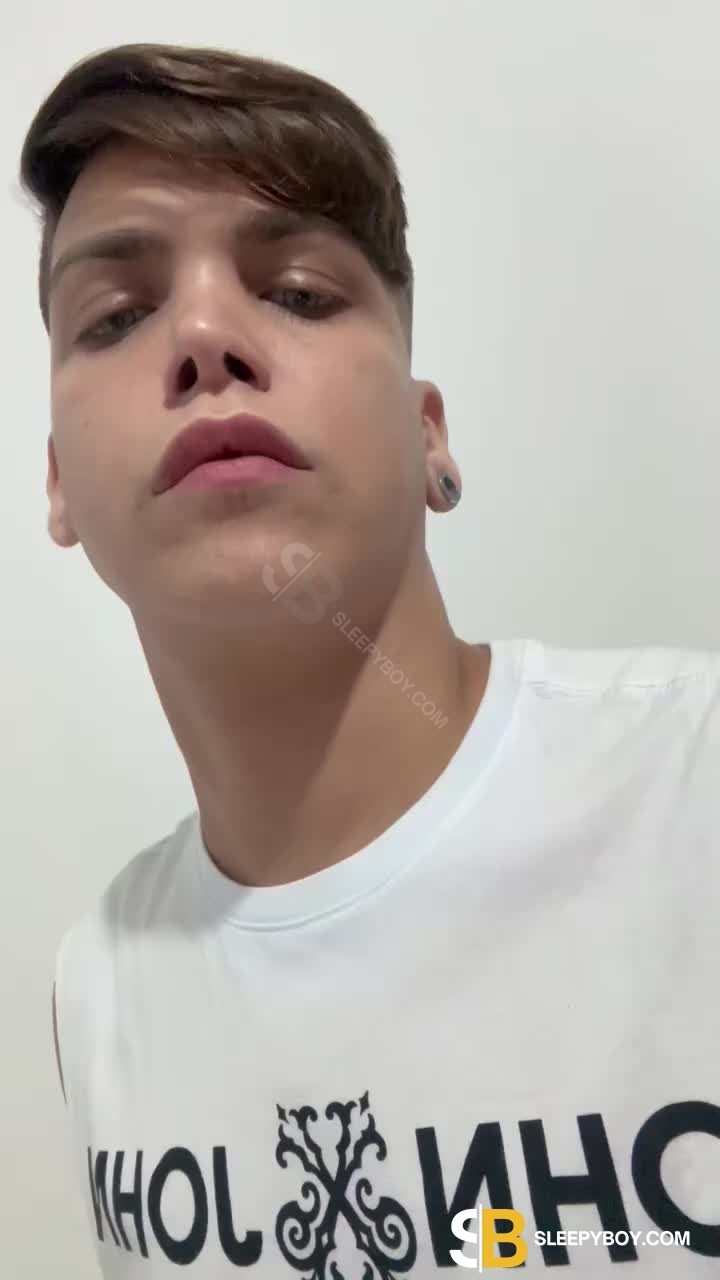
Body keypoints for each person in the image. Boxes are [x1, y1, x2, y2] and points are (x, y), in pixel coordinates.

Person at [19, 41, 719, 1279]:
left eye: (296, 291)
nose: (204, 335)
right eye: (116, 316)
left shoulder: (690, 795)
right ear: (60, 483)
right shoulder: (97, 985)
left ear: (427, 430)